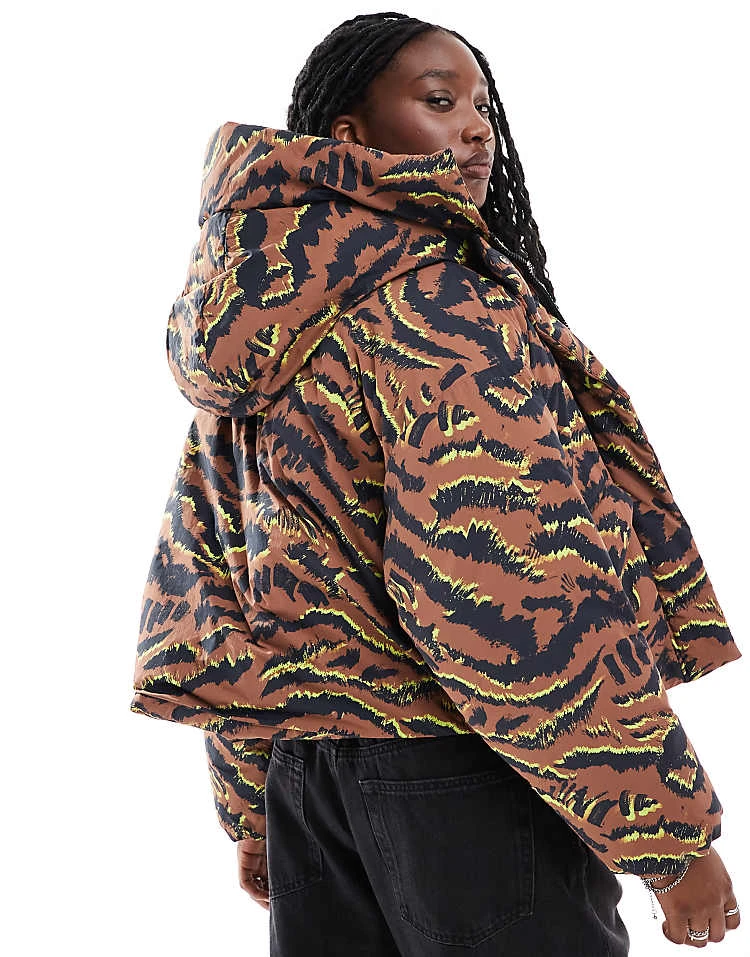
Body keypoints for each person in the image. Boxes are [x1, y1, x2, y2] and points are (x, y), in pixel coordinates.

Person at [130, 11, 742, 954]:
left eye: (482, 108)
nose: (475, 131)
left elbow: (221, 571)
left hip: (311, 784)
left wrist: (254, 798)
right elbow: (520, 591)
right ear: (350, 136)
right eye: (439, 100)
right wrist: (667, 836)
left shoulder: (257, 316)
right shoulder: (438, 309)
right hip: (462, 782)